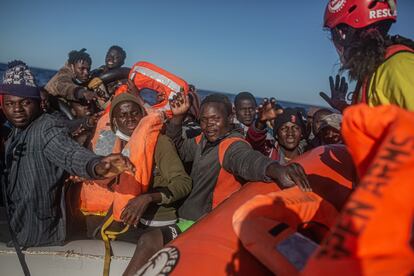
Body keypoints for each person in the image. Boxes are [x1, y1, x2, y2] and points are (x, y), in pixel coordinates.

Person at [123, 93, 310, 275]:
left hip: (204, 222)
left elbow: (248, 160)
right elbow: (177, 149)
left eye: (215, 119)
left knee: (150, 240)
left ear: (230, 118)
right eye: (204, 120)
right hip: (188, 218)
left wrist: (277, 169)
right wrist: (178, 118)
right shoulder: (203, 140)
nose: (208, 125)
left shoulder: (231, 145)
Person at [0, 61, 134, 247]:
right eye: (10, 104)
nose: (17, 109)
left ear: (38, 103)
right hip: (18, 221)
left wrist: (97, 166)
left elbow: (70, 154)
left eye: (25, 102)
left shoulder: (46, 127)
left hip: (38, 232)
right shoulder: (15, 130)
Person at [79, 93, 191, 242]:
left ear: (142, 115)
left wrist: (148, 198)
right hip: (120, 215)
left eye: (134, 113)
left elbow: (183, 182)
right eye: (123, 115)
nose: (130, 119)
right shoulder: (112, 143)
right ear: (114, 121)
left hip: (152, 221)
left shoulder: (160, 143)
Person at [320, 0, 414, 111]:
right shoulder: (379, 67)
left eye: (333, 34)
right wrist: (342, 106)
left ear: (342, 33)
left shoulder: (397, 67)